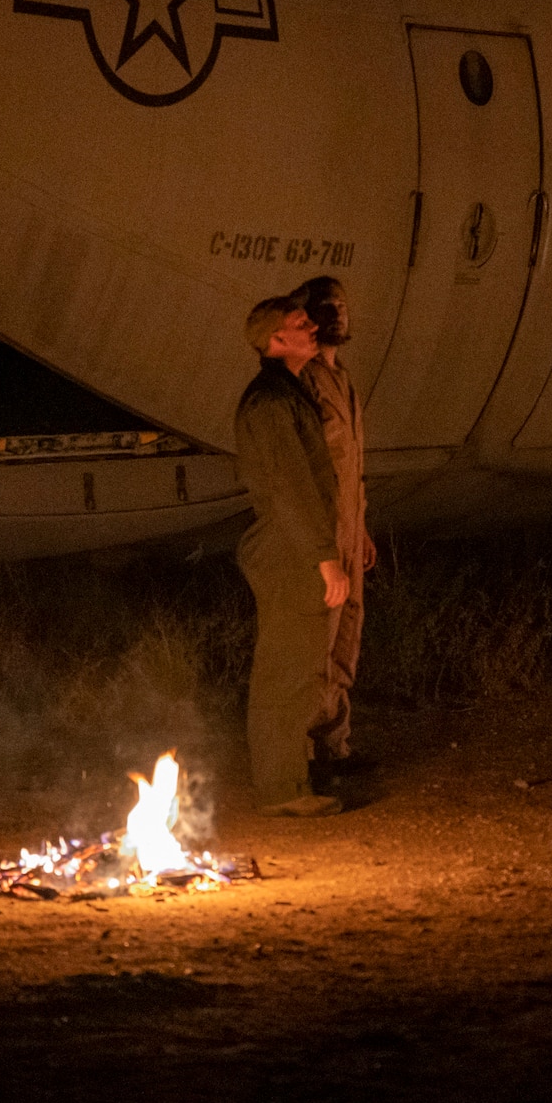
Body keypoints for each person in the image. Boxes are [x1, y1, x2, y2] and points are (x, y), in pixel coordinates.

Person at [235, 291, 349, 818]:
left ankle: (291, 781)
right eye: (300, 323)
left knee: (300, 667)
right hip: (289, 553)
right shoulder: (273, 401)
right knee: (286, 671)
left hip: (293, 549)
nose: (312, 327)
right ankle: (282, 789)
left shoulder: (288, 392)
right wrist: (325, 557)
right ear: (277, 342)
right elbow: (291, 489)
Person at [296, 275, 375, 776]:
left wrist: (361, 527)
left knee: (346, 639)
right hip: (324, 532)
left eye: (343, 305)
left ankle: (335, 747)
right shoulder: (303, 382)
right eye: (328, 307)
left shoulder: (342, 379)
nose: (339, 315)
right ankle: (302, 755)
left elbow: (352, 466)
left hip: (349, 530)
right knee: (315, 642)